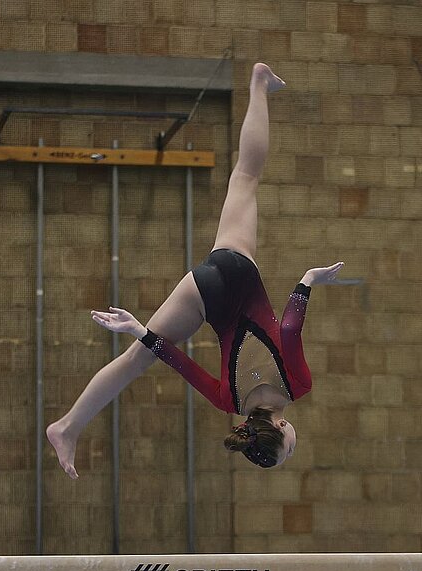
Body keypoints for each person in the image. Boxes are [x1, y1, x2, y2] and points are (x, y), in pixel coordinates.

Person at [47, 62, 344, 479]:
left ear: (279, 428)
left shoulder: (298, 385)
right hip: (203, 294)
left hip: (235, 269)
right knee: (134, 361)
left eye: (288, 449)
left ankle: (259, 82)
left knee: (246, 176)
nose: (294, 446)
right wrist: (140, 331)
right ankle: (67, 427)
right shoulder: (228, 401)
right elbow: (178, 363)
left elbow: (291, 331)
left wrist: (307, 282)